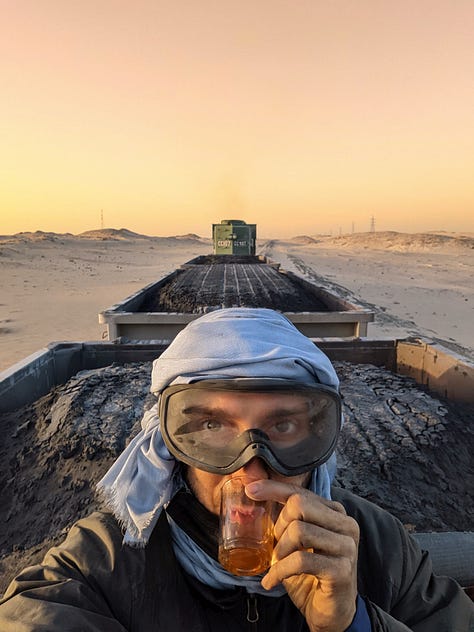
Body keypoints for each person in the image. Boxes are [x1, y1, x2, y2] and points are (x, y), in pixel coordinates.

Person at [0, 308, 472, 631]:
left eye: (283, 425)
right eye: (213, 425)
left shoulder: (381, 549)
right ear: (170, 444)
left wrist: (351, 623)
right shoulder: (101, 563)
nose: (251, 472)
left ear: (320, 438)